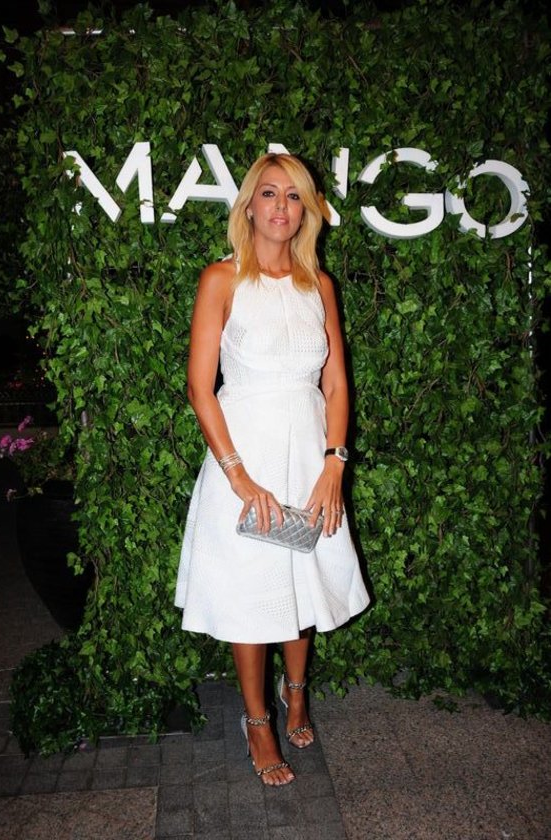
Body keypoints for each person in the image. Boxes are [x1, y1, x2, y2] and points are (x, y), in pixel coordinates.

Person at [175, 152, 370, 786]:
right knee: (252, 592)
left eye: (293, 195)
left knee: (302, 579)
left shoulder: (320, 286)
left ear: (306, 210)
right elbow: (201, 388)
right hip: (245, 457)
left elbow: (335, 384)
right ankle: (257, 721)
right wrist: (237, 476)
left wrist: (334, 463)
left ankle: (297, 692)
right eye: (269, 193)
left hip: (310, 454)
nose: (280, 206)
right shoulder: (222, 279)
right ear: (249, 206)